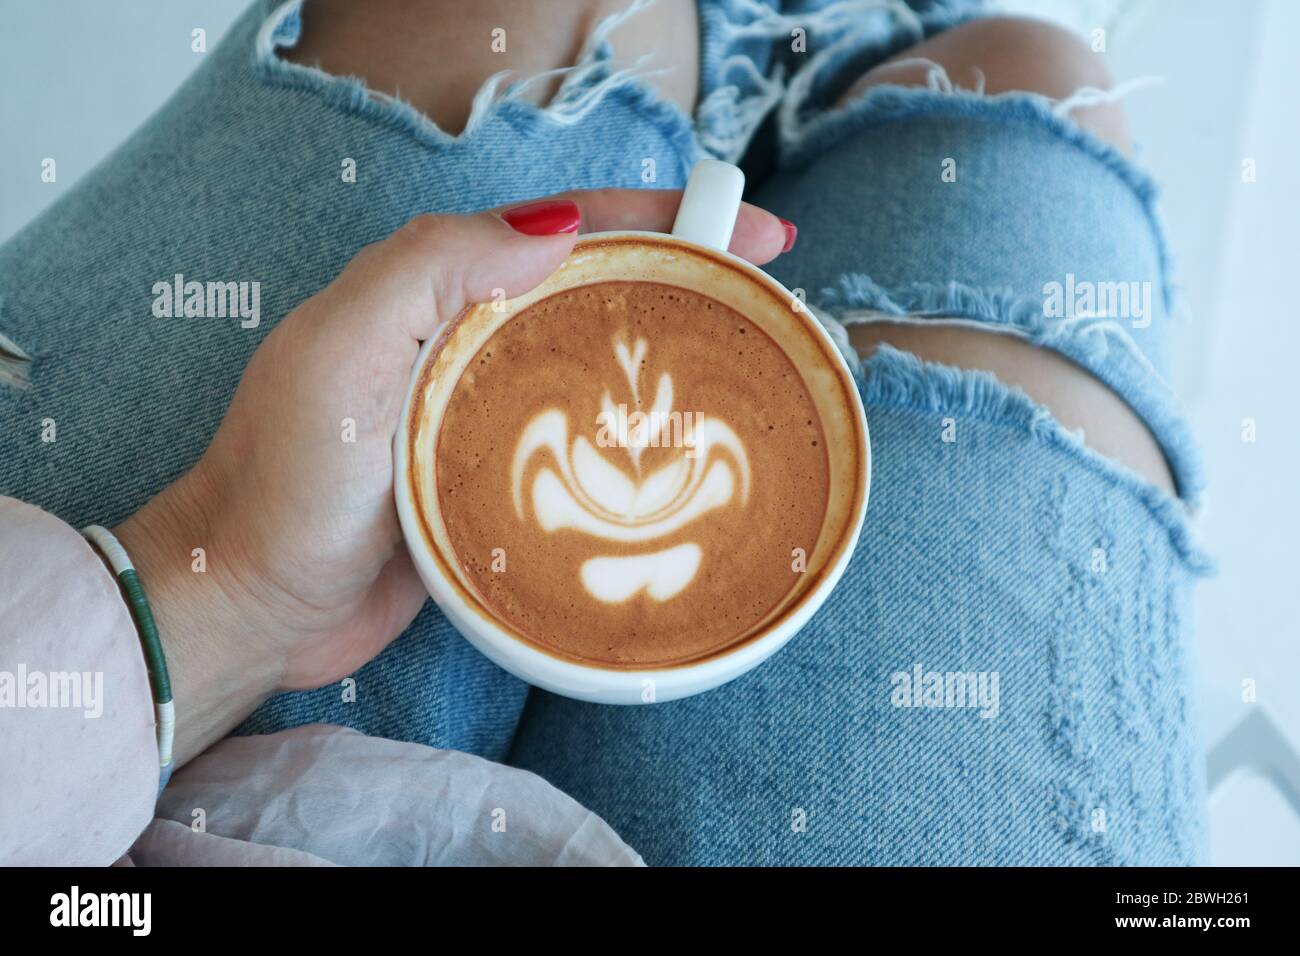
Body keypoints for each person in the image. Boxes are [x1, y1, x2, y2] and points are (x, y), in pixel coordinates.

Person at [0, 0, 1209, 865]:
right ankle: (824, 50)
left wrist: (231, 585)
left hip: (89, 742)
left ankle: (760, 54)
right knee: (1027, 73)